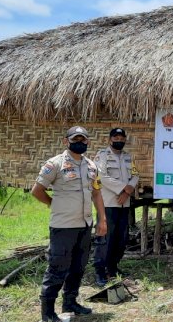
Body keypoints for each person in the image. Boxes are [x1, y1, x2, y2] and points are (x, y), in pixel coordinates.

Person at [31, 126, 108, 322]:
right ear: (67, 141)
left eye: (83, 139)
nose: (80, 142)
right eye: (76, 139)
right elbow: (37, 190)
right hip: (63, 226)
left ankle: (70, 302)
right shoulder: (55, 164)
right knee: (57, 268)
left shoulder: (91, 166)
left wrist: (102, 219)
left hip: (84, 225)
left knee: (78, 267)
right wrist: (53, 204)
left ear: (87, 142)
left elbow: (97, 194)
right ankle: (47, 312)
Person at [92, 128, 140, 287]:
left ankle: (112, 268)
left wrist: (128, 191)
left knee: (121, 238)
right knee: (105, 239)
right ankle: (100, 272)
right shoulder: (102, 156)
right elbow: (101, 176)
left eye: (121, 137)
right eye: (116, 137)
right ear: (109, 139)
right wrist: (123, 188)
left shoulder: (128, 157)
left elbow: (136, 175)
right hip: (107, 203)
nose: (119, 139)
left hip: (124, 203)